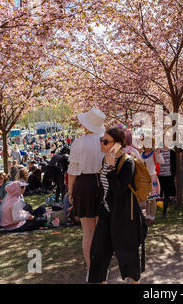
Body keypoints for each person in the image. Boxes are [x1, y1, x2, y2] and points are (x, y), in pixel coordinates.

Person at [88, 127, 146, 284]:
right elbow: (105, 188)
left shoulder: (128, 162)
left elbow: (119, 190)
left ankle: (134, 282)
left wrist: (112, 167)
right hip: (107, 213)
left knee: (127, 254)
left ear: (118, 144)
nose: (101, 144)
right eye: (101, 140)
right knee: (97, 252)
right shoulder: (105, 160)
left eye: (105, 141)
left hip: (124, 216)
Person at [67, 108, 106, 281]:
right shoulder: (106, 142)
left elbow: (73, 171)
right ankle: (101, 268)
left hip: (83, 185)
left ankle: (92, 269)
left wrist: (70, 190)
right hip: (102, 184)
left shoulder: (79, 142)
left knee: (88, 231)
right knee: (101, 230)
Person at [141, 140, 164, 225]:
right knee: (146, 199)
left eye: (150, 144)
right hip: (144, 179)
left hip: (152, 178)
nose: (148, 146)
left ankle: (152, 217)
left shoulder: (154, 153)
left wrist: (158, 153)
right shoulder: (142, 155)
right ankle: (147, 216)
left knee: (153, 199)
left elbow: (161, 161)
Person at [158, 146, 176, 218]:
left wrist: (173, 174)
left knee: (167, 194)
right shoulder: (158, 150)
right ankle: (156, 208)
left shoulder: (172, 151)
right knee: (159, 194)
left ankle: (164, 212)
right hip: (159, 176)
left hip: (168, 176)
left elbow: (174, 164)